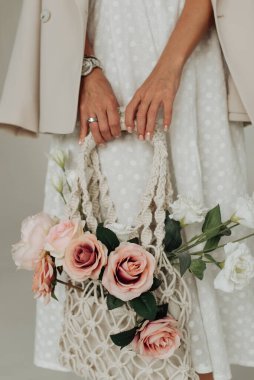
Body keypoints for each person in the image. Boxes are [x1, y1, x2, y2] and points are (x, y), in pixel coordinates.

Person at [1, 1, 254, 380]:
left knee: (190, 245)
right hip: (107, 43)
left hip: (189, 46)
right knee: (108, 246)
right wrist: (86, 70)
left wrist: (169, 68)